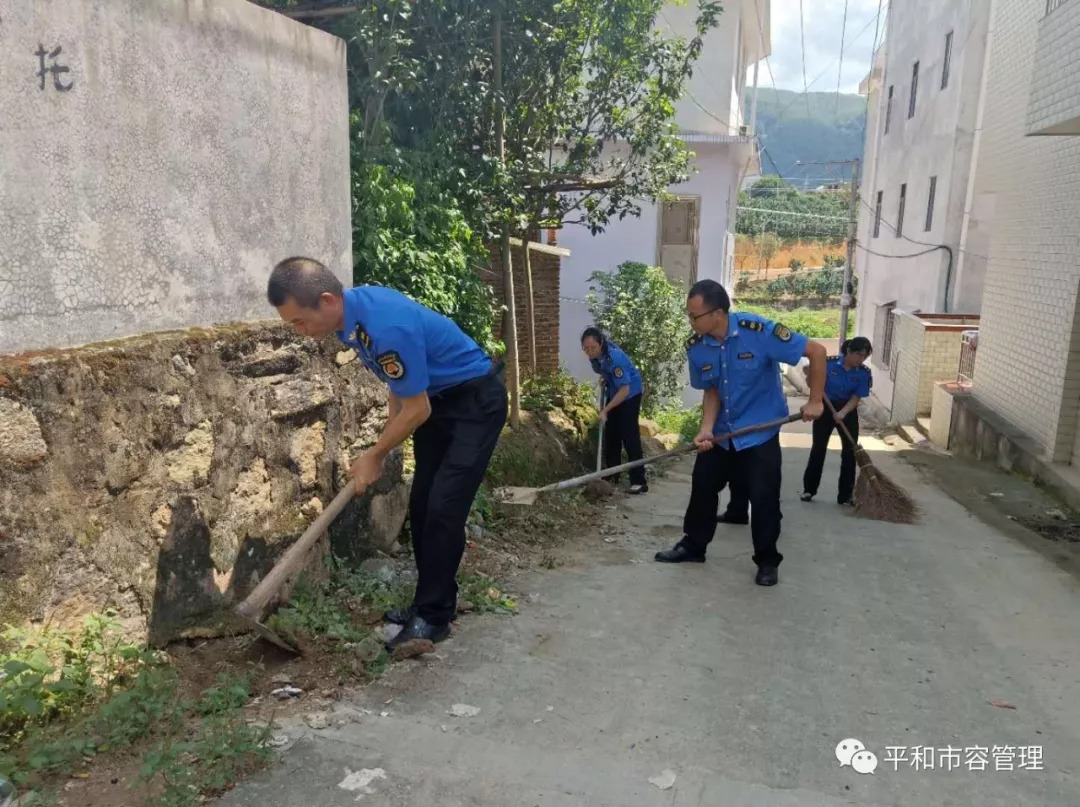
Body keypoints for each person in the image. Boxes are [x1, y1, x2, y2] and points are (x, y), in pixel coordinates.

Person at [267, 257, 507, 650]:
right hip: (436, 402)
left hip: (474, 404)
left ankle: (432, 619)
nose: (300, 331)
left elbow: (417, 409)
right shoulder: (353, 321)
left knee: (445, 507)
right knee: (424, 507)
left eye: (299, 321)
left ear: (326, 300)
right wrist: (384, 442)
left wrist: (376, 455)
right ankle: (429, 605)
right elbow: (400, 384)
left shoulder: (384, 326)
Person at [654, 279, 827, 586]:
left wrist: (815, 400)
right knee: (703, 485)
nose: (690, 321)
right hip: (723, 432)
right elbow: (712, 391)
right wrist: (706, 429)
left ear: (717, 313)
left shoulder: (758, 332)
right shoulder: (698, 348)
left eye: (694, 316)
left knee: (763, 498)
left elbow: (817, 351)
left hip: (758, 434)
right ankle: (694, 545)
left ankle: (767, 561)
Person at [800, 337, 873, 506]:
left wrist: (843, 413)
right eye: (859, 355)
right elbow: (811, 381)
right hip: (824, 407)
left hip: (847, 410)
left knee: (850, 452)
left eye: (864, 357)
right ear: (849, 352)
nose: (861, 360)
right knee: (818, 449)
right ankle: (809, 489)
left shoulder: (863, 373)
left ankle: (846, 495)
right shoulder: (828, 363)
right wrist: (811, 375)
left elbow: (856, 397)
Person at [581, 327, 648, 494]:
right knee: (611, 434)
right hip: (615, 390)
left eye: (593, 348)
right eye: (586, 348)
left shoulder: (614, 358)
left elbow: (624, 390)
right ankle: (612, 473)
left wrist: (605, 410)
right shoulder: (595, 356)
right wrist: (605, 377)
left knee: (628, 434)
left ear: (601, 343)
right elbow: (605, 370)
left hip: (629, 393)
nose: (589, 352)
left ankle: (639, 481)